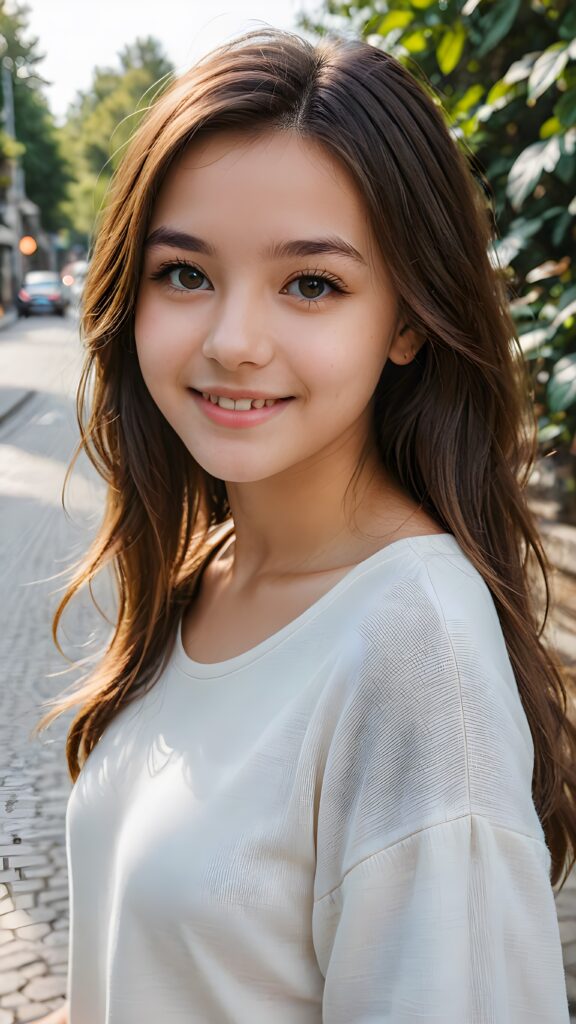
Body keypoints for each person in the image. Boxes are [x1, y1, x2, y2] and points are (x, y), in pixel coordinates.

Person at [32, 26, 575, 1024]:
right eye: (185, 274)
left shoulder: (417, 657)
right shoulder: (212, 567)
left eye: (312, 284)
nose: (234, 341)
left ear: (408, 319)